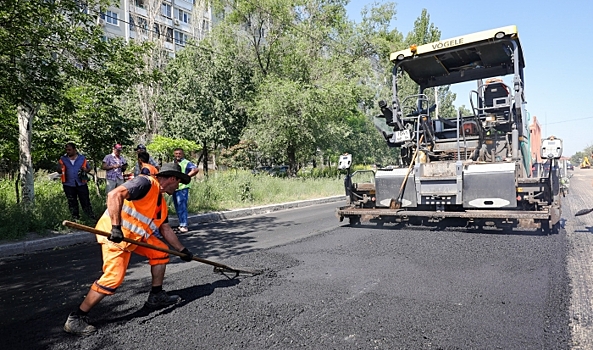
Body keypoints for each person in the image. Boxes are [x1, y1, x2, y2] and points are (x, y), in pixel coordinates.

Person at [63, 163, 195, 336]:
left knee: (161, 251)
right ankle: (76, 318)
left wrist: (182, 250)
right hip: (114, 236)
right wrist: (116, 228)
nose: (178, 186)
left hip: (133, 238)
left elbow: (165, 229)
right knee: (113, 278)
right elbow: (114, 194)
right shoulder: (145, 183)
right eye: (179, 182)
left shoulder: (160, 203)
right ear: (172, 178)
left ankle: (156, 295)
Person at [57, 142, 95, 220]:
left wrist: (86, 170)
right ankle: (75, 219)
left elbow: (89, 168)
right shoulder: (63, 159)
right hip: (68, 184)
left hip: (81, 183)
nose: (68, 151)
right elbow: (59, 171)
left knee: (85, 201)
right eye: (66, 150)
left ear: (74, 149)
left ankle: (90, 218)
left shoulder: (82, 158)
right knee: (72, 202)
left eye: (69, 150)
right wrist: (59, 168)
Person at [173, 148, 199, 233]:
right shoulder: (174, 163)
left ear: (182, 154)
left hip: (183, 187)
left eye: (179, 154)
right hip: (175, 188)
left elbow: (195, 169)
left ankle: (184, 225)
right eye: (176, 154)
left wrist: (186, 177)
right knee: (177, 207)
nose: (178, 155)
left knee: (182, 206)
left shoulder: (186, 162)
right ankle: (181, 224)